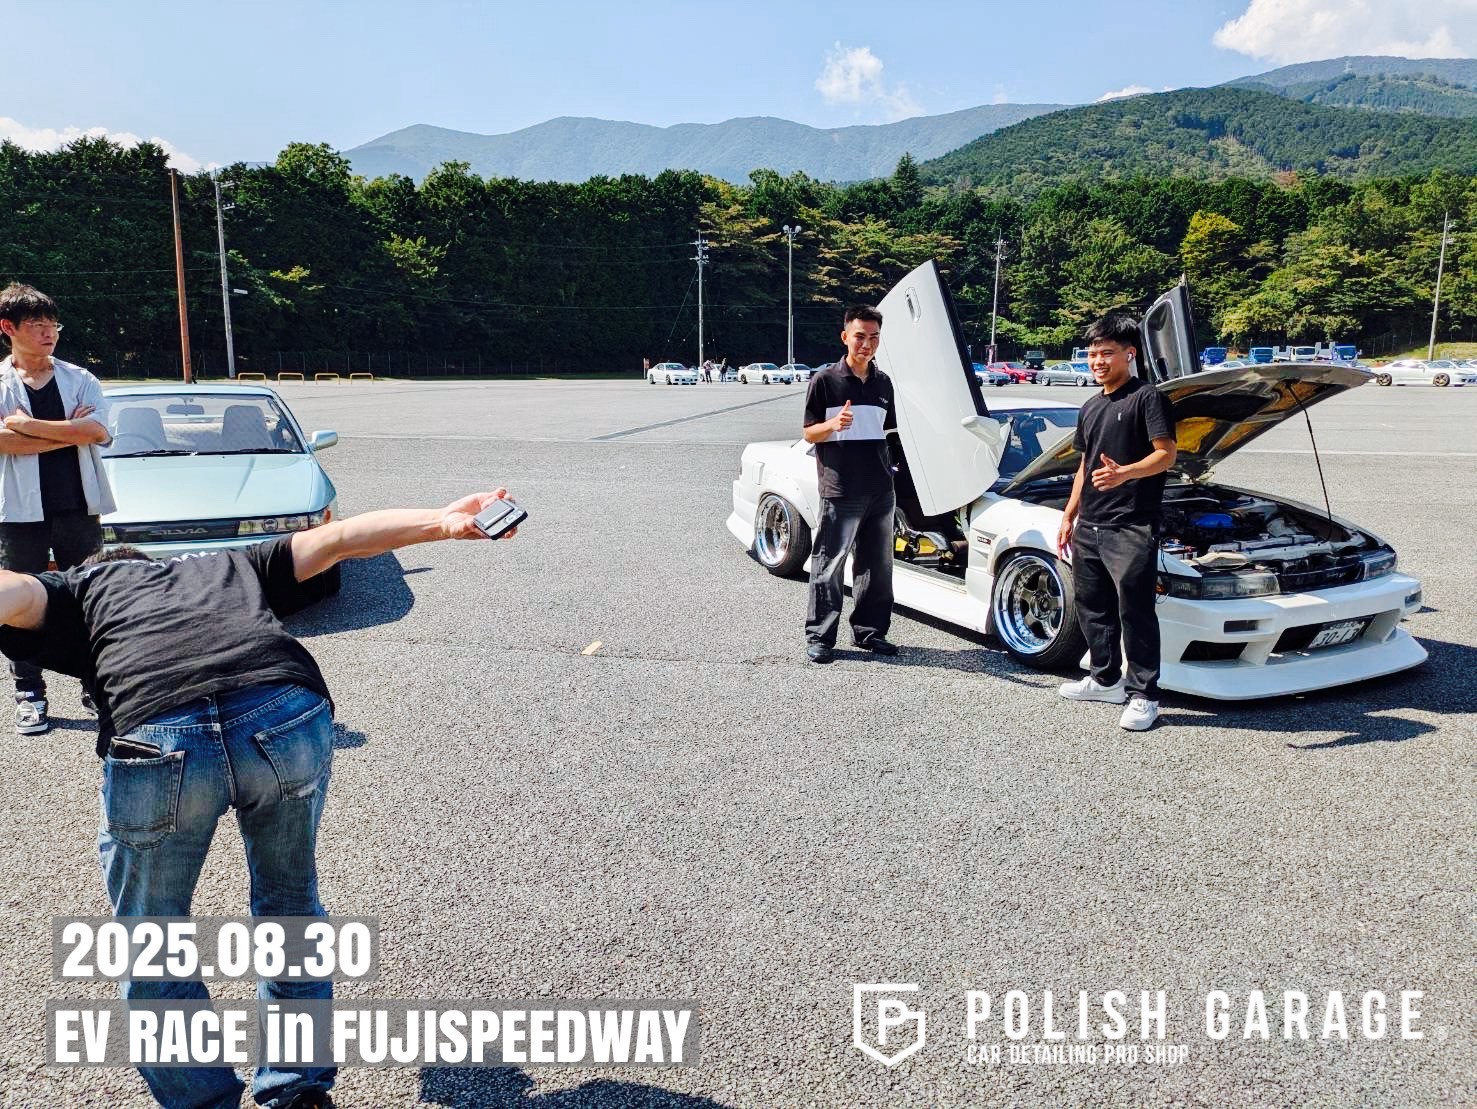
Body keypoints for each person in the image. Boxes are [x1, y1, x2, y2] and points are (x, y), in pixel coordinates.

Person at [0, 489, 518, 1109]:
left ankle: (204, 1100)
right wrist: (442, 521)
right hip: (281, 711)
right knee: (290, 907)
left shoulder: (79, 587)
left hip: (160, 734)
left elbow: (14, 592)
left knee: (149, 935)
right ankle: (298, 1091)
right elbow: (341, 538)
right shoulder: (229, 564)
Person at [0, 283, 113, 735]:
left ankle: (96, 685)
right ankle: (29, 692)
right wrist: (69, 431)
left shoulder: (80, 378)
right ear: (8, 328)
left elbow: (98, 431)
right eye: (37, 325)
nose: (49, 333)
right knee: (19, 603)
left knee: (90, 596)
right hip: (16, 514)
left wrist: (27, 426)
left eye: (53, 325)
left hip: (78, 507)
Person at [1055, 311, 1176, 731]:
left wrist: (1125, 473)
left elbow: (1166, 455)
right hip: (1090, 524)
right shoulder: (1090, 406)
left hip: (1132, 524)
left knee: (1135, 610)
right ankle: (1105, 679)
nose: (1098, 361)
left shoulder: (1147, 397)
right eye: (1092, 354)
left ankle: (1144, 695)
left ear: (1130, 354)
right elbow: (1084, 465)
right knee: (1094, 607)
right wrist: (1069, 514)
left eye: (1106, 353)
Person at [801, 304, 897, 663]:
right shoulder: (825, 380)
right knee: (829, 564)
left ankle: (870, 632)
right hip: (841, 489)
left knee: (877, 567)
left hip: (880, 490)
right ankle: (820, 637)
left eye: (874, 337)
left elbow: (889, 434)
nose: (866, 344)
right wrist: (832, 425)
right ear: (845, 337)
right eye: (860, 336)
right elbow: (809, 433)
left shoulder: (883, 383)